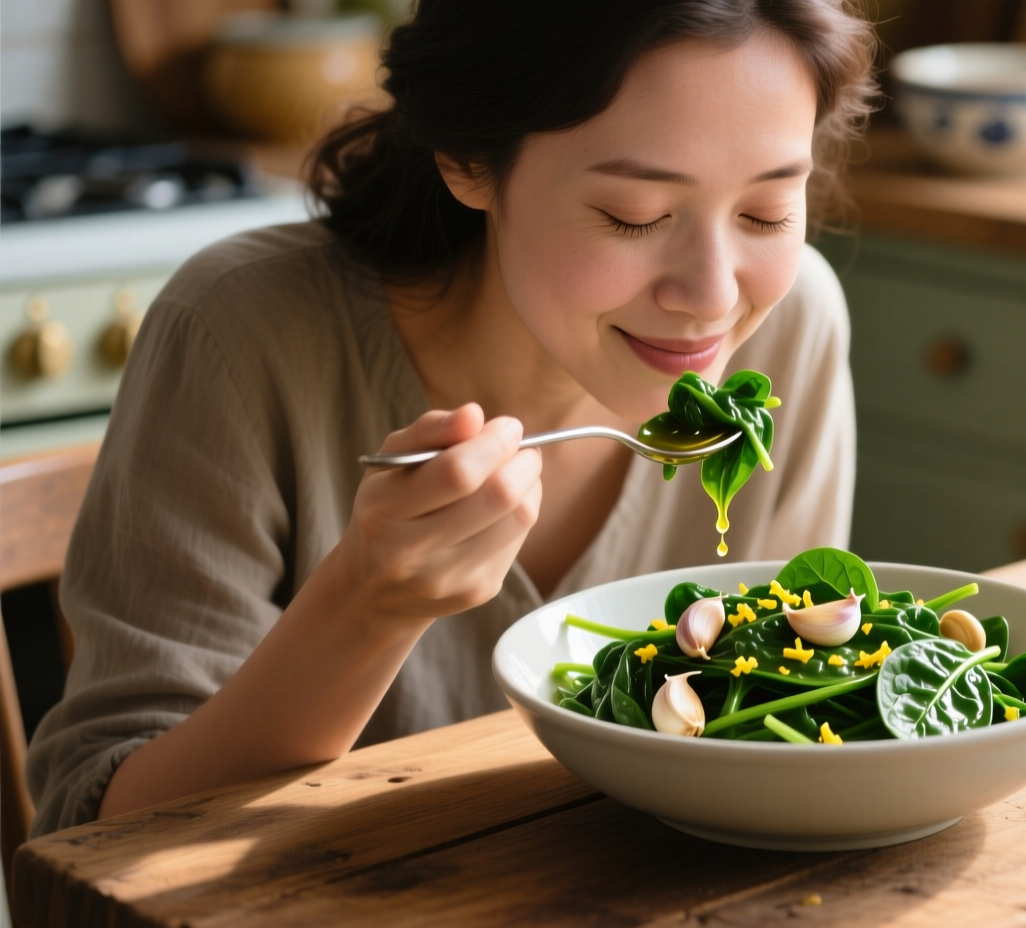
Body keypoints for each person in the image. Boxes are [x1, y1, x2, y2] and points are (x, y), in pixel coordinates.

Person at [26, 0, 875, 834]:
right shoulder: (238, 332)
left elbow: (786, 731)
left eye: (766, 213)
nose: (714, 297)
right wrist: (368, 604)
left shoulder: (790, 326)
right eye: (636, 215)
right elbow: (95, 838)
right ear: (469, 157)